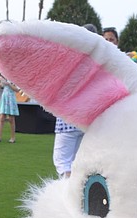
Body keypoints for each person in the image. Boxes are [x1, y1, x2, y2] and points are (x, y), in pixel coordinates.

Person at [52, 24, 98, 178]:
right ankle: (76, 189)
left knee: (62, 162)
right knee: (76, 162)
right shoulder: (97, 60)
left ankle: (69, 190)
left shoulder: (71, 57)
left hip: (68, 118)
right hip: (85, 119)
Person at [0, 74, 19, 143]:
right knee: (1, 118)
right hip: (4, 98)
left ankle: (13, 138)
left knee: (11, 119)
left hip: (11, 98)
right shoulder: (4, 77)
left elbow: (17, 90)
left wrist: (8, 84)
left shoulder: (14, 78)